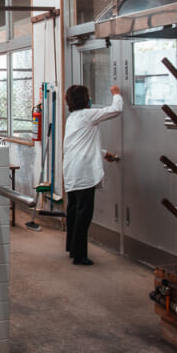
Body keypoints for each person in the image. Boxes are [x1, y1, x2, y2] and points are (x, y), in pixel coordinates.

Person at [62, 84, 122, 265]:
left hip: (72, 169)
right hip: (84, 172)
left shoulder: (72, 118)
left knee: (73, 210)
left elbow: (82, 143)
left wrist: (104, 153)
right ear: (84, 100)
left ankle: (72, 249)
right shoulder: (87, 115)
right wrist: (117, 94)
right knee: (84, 214)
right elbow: (116, 110)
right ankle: (80, 256)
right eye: (88, 96)